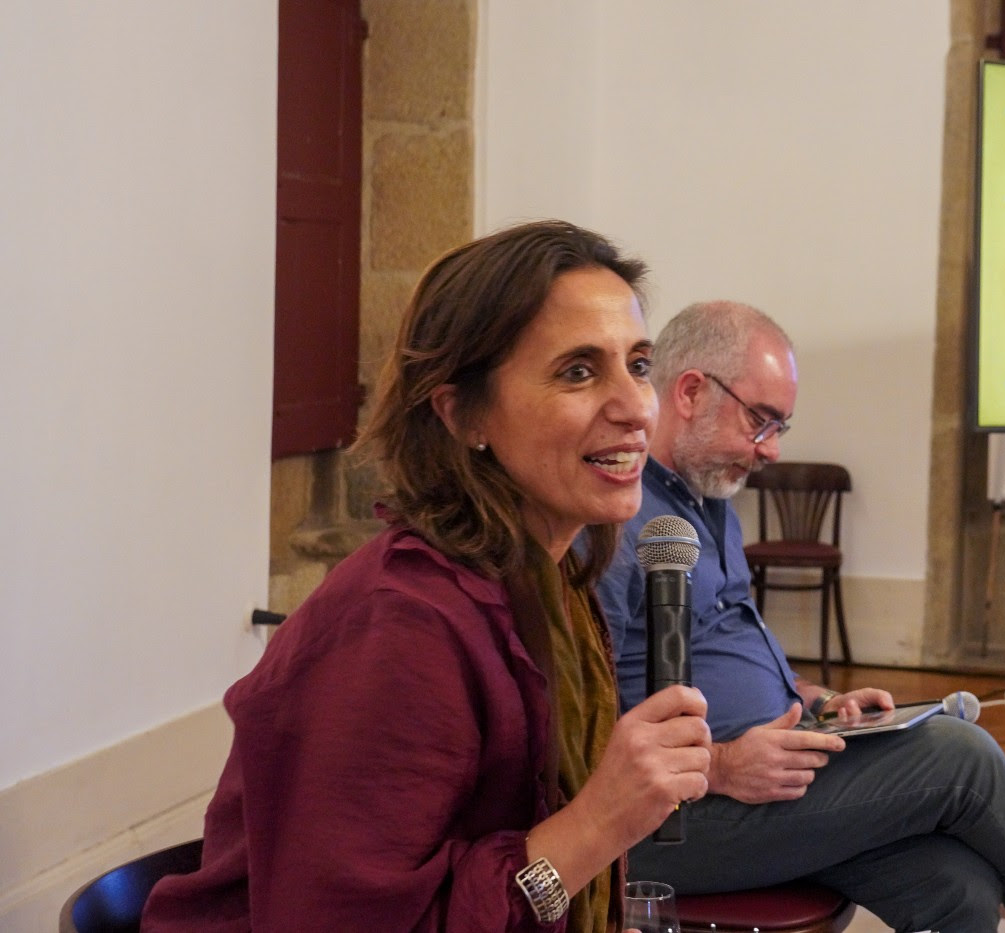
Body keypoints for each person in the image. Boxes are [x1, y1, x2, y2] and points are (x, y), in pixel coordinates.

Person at [142, 220, 712, 932]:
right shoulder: (400, 624)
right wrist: (597, 823)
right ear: (462, 414)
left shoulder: (548, 579)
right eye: (578, 371)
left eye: (638, 364)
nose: (636, 408)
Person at [595, 300, 1005, 933]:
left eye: (781, 426)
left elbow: (725, 645)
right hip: (677, 816)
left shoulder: (707, 498)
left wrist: (815, 699)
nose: (772, 448)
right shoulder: (614, 522)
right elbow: (572, 728)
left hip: (776, 775)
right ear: (691, 392)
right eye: (761, 421)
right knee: (961, 757)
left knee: (956, 884)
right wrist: (723, 764)